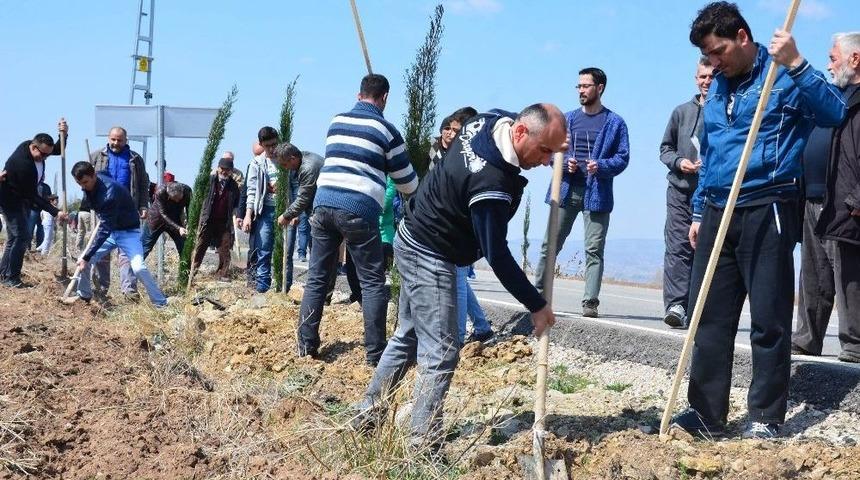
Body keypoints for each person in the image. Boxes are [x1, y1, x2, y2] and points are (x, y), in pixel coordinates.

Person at [671, 2, 845, 440]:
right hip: (716, 210)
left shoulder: (783, 75)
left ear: (742, 38)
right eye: (708, 57)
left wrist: (799, 64)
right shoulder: (717, 89)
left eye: (718, 52)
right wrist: (697, 211)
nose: (713, 63)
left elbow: (835, 112)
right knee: (707, 315)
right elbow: (709, 154)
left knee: (768, 317)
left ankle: (765, 416)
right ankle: (706, 414)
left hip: (767, 205)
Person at [353, 104, 566, 450]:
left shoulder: (489, 121)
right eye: (544, 152)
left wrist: (555, 144)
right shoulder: (491, 184)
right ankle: (421, 447)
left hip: (413, 233)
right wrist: (536, 304)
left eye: (552, 154)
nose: (546, 162)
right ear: (521, 133)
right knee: (441, 351)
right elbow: (496, 254)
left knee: (408, 334)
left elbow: (503, 113)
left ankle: (367, 413)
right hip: (430, 252)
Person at [297, 73, 419, 365]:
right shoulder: (387, 131)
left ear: (358, 94)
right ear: (385, 98)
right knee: (373, 282)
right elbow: (408, 184)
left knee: (317, 278)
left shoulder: (335, 122)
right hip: (359, 210)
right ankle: (376, 354)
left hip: (324, 204)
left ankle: (305, 345)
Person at [533, 67, 630, 318]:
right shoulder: (567, 119)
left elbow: (622, 158)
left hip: (597, 194)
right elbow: (550, 152)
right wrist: (566, 163)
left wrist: (602, 166)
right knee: (550, 244)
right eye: (579, 86)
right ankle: (536, 295)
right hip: (566, 190)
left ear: (600, 88)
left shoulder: (615, 123)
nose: (581, 90)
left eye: (586, 86)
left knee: (594, 249)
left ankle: (590, 302)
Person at [795, 32, 860, 362]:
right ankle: (807, 338)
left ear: (855, 59)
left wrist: (857, 201)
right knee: (813, 272)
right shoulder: (832, 98)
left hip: (845, 203)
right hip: (813, 197)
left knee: (848, 273)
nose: (828, 63)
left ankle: (854, 345)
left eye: (833, 57)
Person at [62, 162, 166, 307]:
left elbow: (104, 229)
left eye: (85, 182)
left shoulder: (109, 194)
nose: (83, 187)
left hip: (128, 232)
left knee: (138, 268)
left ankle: (161, 303)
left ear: (94, 176)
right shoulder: (97, 177)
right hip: (112, 230)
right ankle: (84, 295)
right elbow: (107, 172)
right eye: (79, 183)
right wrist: (86, 258)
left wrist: (87, 256)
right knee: (83, 262)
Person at [660, 57, 715, 328]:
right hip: (680, 190)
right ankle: (676, 305)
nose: (707, 81)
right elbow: (665, 149)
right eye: (702, 76)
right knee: (678, 247)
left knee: (706, 249)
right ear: (696, 78)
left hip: (713, 194)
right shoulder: (681, 112)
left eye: (712, 76)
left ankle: (699, 309)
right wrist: (679, 162)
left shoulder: (727, 111)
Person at [0, 120, 70, 288]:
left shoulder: (34, 148)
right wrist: (55, 212)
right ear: (33, 147)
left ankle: (3, 273)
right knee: (22, 237)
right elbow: (32, 195)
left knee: (14, 238)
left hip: (21, 200)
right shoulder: (22, 164)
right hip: (11, 201)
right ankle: (12, 278)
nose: (45, 157)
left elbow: (58, 150)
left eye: (47, 154)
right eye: (43, 155)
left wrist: (64, 134)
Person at [89, 126, 150, 299]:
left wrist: (143, 205)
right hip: (104, 210)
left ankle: (129, 291)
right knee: (101, 251)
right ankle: (101, 289)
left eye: (120, 140)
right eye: (113, 139)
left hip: (127, 211)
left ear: (126, 140)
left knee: (127, 253)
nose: (116, 143)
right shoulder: (95, 157)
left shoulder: (135, 159)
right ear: (108, 138)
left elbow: (143, 183)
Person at [274, 143, 324, 293]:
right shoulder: (300, 161)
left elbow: (303, 198)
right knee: (316, 251)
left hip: (323, 212)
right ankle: (320, 292)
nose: (284, 167)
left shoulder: (309, 168)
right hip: (314, 211)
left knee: (319, 253)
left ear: (293, 158)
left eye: (285, 164)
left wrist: (287, 215)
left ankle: (320, 293)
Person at [242, 127, 281, 293]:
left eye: (274, 144)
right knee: (264, 249)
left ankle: (283, 287)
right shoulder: (256, 163)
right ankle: (263, 288)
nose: (272, 149)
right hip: (264, 211)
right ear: (262, 145)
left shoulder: (284, 158)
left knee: (283, 251)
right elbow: (251, 191)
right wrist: (247, 215)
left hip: (284, 211)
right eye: (268, 146)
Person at [191, 156, 241, 282]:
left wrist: (236, 216)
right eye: (222, 169)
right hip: (208, 220)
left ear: (231, 171)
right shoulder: (209, 181)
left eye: (227, 170)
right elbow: (198, 198)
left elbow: (237, 203)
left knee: (225, 248)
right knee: (200, 246)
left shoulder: (233, 186)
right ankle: (191, 272)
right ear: (218, 168)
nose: (224, 172)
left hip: (223, 222)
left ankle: (222, 274)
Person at [142, 181, 191, 258]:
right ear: (168, 194)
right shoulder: (160, 192)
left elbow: (189, 208)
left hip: (175, 219)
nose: (177, 201)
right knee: (145, 247)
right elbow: (163, 214)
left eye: (179, 199)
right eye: (175, 199)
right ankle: (132, 269)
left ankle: (184, 269)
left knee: (183, 247)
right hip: (156, 219)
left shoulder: (187, 191)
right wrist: (179, 228)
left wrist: (189, 223)